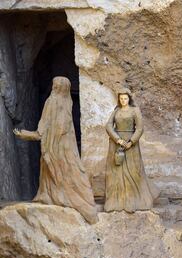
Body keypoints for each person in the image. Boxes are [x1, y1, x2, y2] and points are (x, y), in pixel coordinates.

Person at [13, 76, 98, 224]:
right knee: (70, 171)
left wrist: (25, 134)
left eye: (54, 85)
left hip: (53, 147)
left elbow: (42, 130)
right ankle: (75, 200)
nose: (53, 87)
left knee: (54, 171)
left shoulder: (51, 102)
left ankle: (57, 197)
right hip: (66, 147)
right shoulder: (68, 102)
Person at [104, 88, 159, 212]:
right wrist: (117, 139)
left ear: (129, 99)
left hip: (130, 145)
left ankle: (134, 200)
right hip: (116, 143)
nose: (123, 100)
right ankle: (116, 201)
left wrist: (131, 142)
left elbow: (139, 128)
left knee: (133, 171)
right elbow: (108, 125)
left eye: (125, 98)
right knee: (116, 172)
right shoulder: (116, 111)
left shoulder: (135, 110)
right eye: (121, 98)